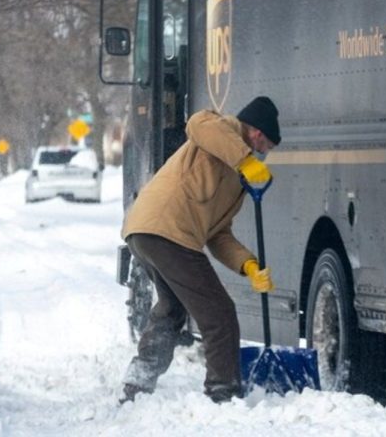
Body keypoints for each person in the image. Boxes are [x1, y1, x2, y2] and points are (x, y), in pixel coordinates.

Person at [120, 96, 282, 404]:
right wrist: (245, 160)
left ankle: (138, 382)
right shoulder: (223, 129)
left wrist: (248, 265)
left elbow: (218, 234)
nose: (264, 154)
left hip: (149, 232)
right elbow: (197, 124)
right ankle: (222, 391)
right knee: (219, 313)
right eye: (266, 146)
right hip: (166, 231)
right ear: (257, 133)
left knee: (172, 308)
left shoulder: (238, 177)